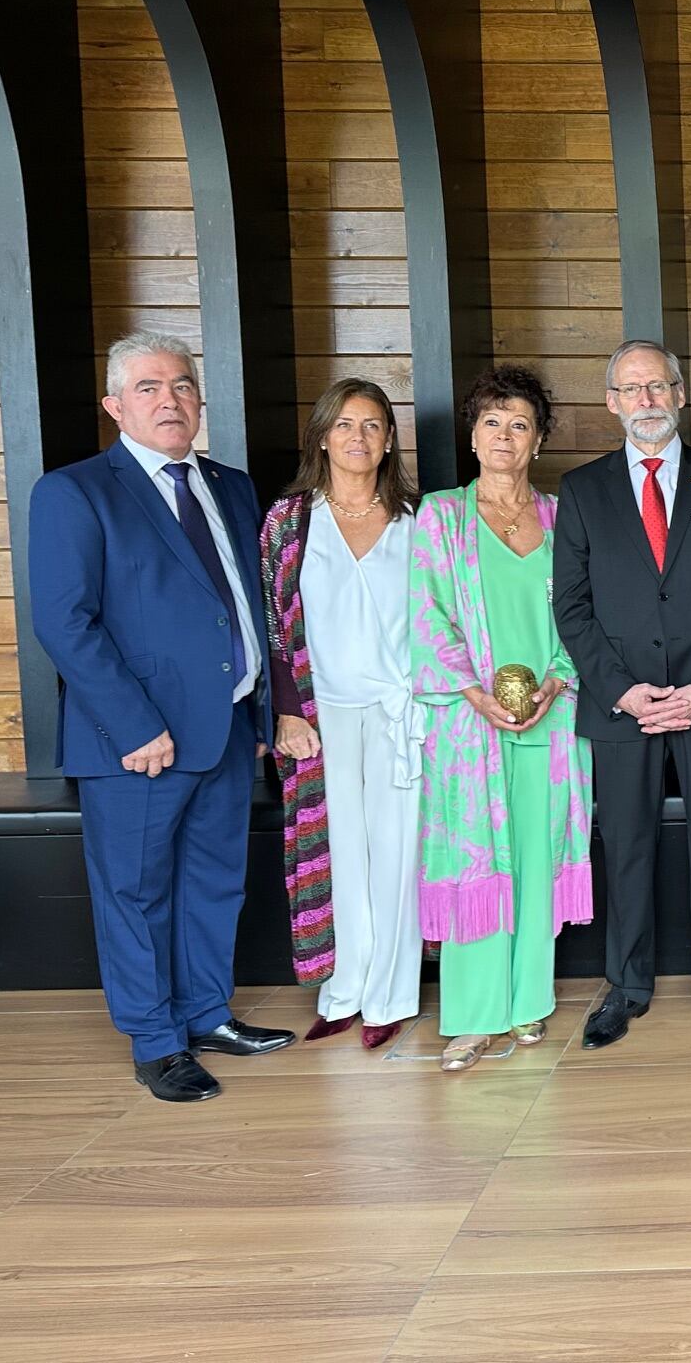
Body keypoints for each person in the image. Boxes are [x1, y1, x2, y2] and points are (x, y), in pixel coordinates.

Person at [29, 331, 293, 1101]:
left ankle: (206, 1013)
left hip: (227, 728)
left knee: (214, 882)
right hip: (139, 742)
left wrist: (263, 713)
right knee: (136, 892)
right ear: (115, 405)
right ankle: (155, 1040)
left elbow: (247, 607)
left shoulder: (231, 485)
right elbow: (65, 622)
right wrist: (135, 724)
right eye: (148, 387)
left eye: (181, 385)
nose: (169, 400)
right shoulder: (76, 491)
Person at [555, 339, 691, 1048]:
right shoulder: (583, 491)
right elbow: (573, 608)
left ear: (680, 394)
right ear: (611, 403)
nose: (646, 400)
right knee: (627, 850)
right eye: (632, 389)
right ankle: (627, 985)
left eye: (658, 387)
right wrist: (624, 691)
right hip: (625, 707)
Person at [409, 366, 595, 1072]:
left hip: (551, 716)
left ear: (539, 439)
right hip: (470, 723)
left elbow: (583, 611)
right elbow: (425, 615)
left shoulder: (559, 518)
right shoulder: (442, 515)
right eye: (492, 422)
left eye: (520, 424)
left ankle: (526, 1005)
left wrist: (556, 679)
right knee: (477, 863)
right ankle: (474, 1016)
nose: (505, 436)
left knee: (537, 859)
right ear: (473, 434)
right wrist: (471, 689)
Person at [261, 379, 425, 1049]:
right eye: (345, 425)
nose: (358, 438)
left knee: (396, 852)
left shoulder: (419, 517)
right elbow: (271, 624)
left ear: (389, 441)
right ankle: (344, 989)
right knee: (338, 854)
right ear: (322, 435)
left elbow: (446, 619)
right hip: (321, 713)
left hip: (401, 709)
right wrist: (289, 712)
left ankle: (390, 994)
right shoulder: (290, 519)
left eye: (374, 426)